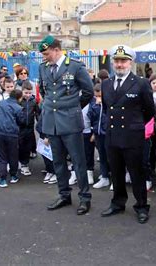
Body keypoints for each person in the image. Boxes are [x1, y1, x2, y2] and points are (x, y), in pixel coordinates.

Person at [38, 35, 94, 215]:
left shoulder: (75, 66)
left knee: (78, 162)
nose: (44, 57)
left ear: (56, 50)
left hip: (70, 122)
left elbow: (88, 91)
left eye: (47, 53)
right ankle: (64, 195)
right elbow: (44, 90)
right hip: (51, 123)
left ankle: (85, 198)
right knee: (58, 162)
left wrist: (74, 108)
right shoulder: (43, 68)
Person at [100, 45, 155, 224]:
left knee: (137, 173)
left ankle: (141, 206)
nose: (119, 64)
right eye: (116, 60)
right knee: (116, 172)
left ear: (130, 63)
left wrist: (135, 125)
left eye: (123, 61)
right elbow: (107, 109)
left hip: (132, 137)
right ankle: (118, 202)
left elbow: (149, 111)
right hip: (113, 135)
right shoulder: (106, 83)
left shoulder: (141, 83)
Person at [0, 89, 26, 187]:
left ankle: (2, 179)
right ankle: (13, 176)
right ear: (19, 98)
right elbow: (22, 121)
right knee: (13, 155)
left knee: (1, 156)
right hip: (12, 133)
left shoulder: (2, 103)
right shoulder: (19, 108)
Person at [89, 84, 111, 189]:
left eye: (100, 96)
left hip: (108, 133)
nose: (98, 98)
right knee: (102, 156)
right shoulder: (93, 103)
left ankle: (115, 180)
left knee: (112, 157)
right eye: (96, 96)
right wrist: (96, 106)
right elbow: (91, 116)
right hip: (98, 133)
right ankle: (104, 177)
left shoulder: (109, 102)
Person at [18, 81, 40, 176]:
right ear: (22, 91)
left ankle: (25, 164)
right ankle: (19, 161)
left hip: (29, 128)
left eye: (30, 93)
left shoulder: (34, 101)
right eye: (26, 93)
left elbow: (37, 114)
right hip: (19, 128)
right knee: (19, 146)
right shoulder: (18, 101)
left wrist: (40, 123)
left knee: (27, 147)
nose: (28, 95)